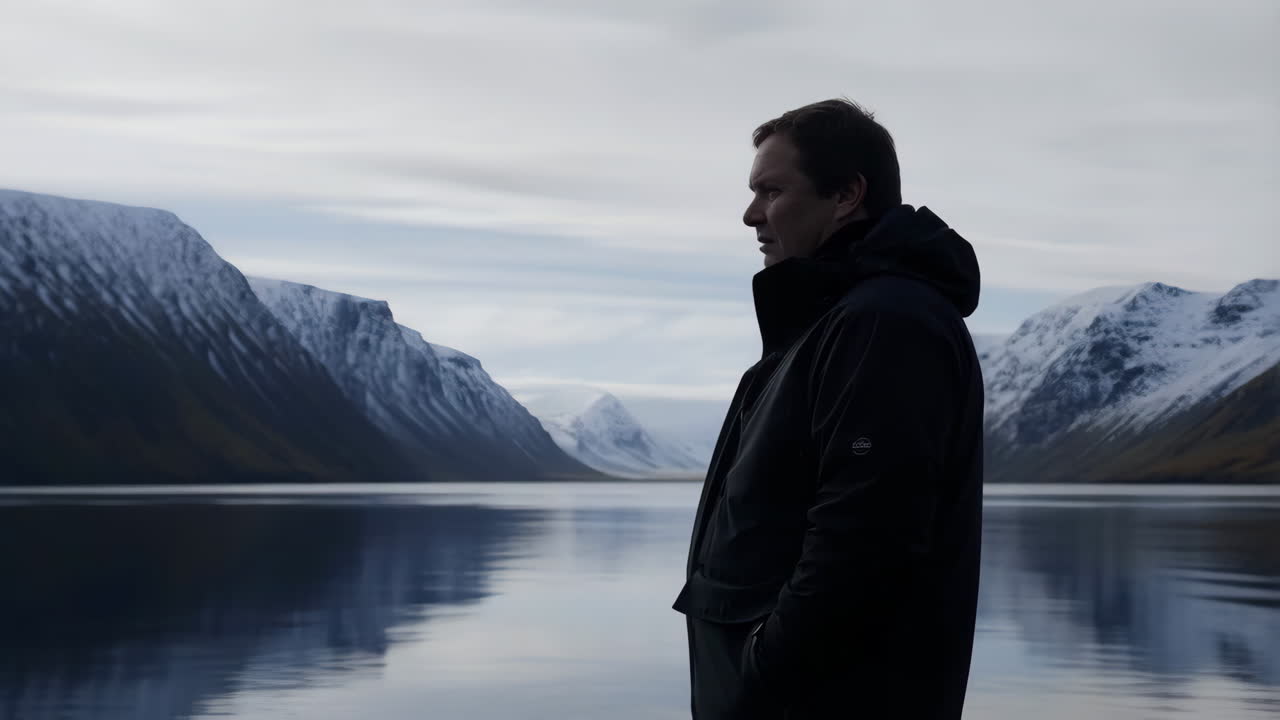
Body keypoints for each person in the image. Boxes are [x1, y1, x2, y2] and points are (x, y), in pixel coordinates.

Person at [672, 98, 984, 719]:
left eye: (771, 191)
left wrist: (762, 674)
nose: (750, 214)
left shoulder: (885, 324)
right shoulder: (830, 325)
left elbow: (865, 540)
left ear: (845, 195)